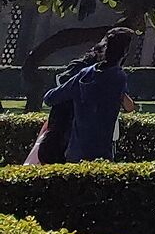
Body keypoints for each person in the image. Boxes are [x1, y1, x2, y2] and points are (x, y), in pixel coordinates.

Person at [40, 27, 136, 164]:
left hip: (75, 153)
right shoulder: (118, 78)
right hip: (101, 154)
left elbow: (50, 98)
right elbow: (129, 107)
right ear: (124, 52)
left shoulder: (84, 74)